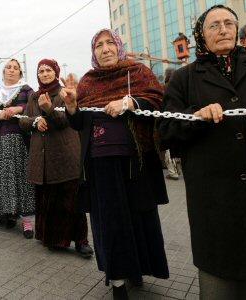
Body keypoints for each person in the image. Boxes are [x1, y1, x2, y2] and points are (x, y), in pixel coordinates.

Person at [159, 5, 246, 299]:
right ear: (201, 35)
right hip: (213, 203)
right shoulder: (183, 78)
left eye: (229, 23)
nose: (223, 29)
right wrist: (195, 117)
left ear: (237, 32)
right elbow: (165, 132)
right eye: (214, 25)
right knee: (219, 285)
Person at [61, 29, 169, 299]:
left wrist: (130, 102)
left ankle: (139, 268)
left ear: (120, 47)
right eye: (99, 45)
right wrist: (73, 106)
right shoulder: (87, 81)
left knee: (139, 217)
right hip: (100, 166)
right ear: (93, 52)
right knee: (110, 222)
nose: (105, 48)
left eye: (111, 43)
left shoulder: (138, 73)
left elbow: (158, 100)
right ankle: (118, 281)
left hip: (137, 161)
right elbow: (77, 124)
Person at [20, 59, 93, 257]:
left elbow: (65, 121)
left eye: (48, 70)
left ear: (56, 72)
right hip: (42, 159)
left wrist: (48, 110)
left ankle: (81, 241)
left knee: (71, 200)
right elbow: (23, 122)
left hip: (64, 155)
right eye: (41, 71)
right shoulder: (34, 97)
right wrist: (36, 121)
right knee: (48, 200)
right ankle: (53, 239)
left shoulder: (63, 94)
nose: (44, 74)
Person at [0, 60, 35, 239]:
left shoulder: (27, 90)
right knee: (2, 178)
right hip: (2, 141)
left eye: (15, 68)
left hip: (22, 140)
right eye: (8, 67)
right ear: (3, 72)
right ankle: (4, 214)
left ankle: (27, 222)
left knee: (23, 179)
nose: (12, 70)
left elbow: (34, 109)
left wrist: (18, 108)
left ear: (20, 73)